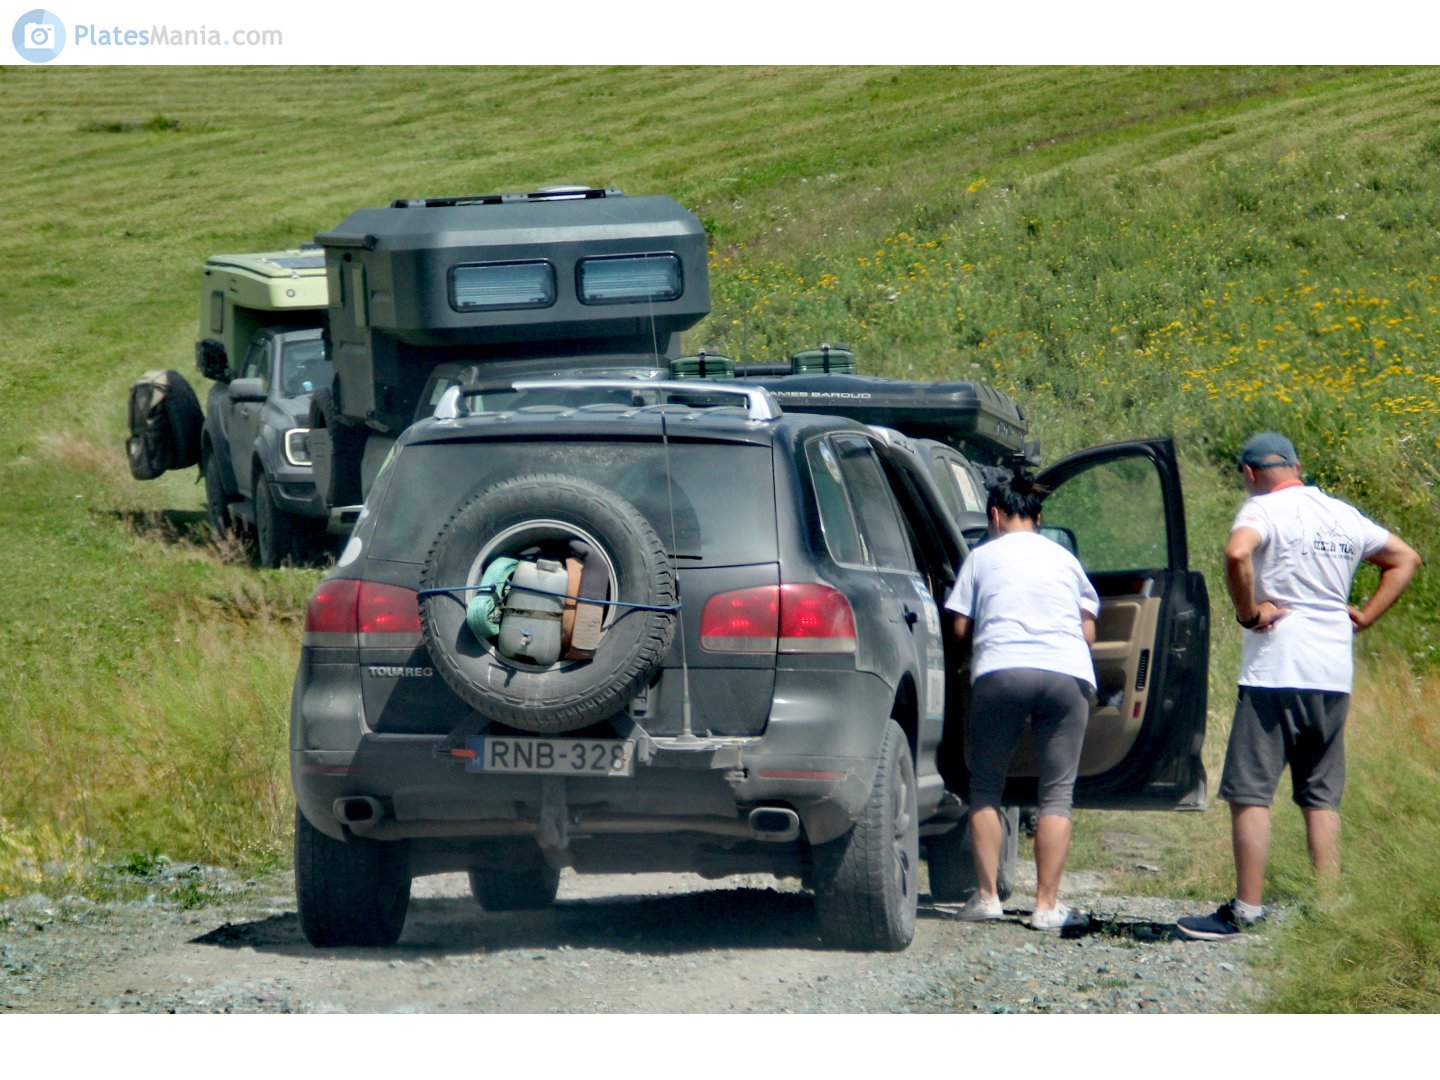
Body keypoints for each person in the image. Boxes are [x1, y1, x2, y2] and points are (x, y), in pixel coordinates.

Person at [1177, 432, 1421, 941]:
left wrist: (1249, 615)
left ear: (1249, 475)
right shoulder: (1343, 515)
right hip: (1332, 673)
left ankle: (1247, 908)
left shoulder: (1262, 511)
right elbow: (1406, 559)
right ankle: (1329, 907)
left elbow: (1237, 554)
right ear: (1297, 465)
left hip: (1276, 669)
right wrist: (1366, 616)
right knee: (1320, 795)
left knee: (1250, 792)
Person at [944, 470, 1099, 930]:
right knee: (1056, 794)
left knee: (987, 787)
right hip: (1066, 673)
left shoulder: (982, 557)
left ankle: (988, 897)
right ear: (1038, 517)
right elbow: (1088, 631)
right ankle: (1047, 908)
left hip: (1002, 672)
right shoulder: (1065, 558)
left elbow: (958, 626)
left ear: (994, 515)